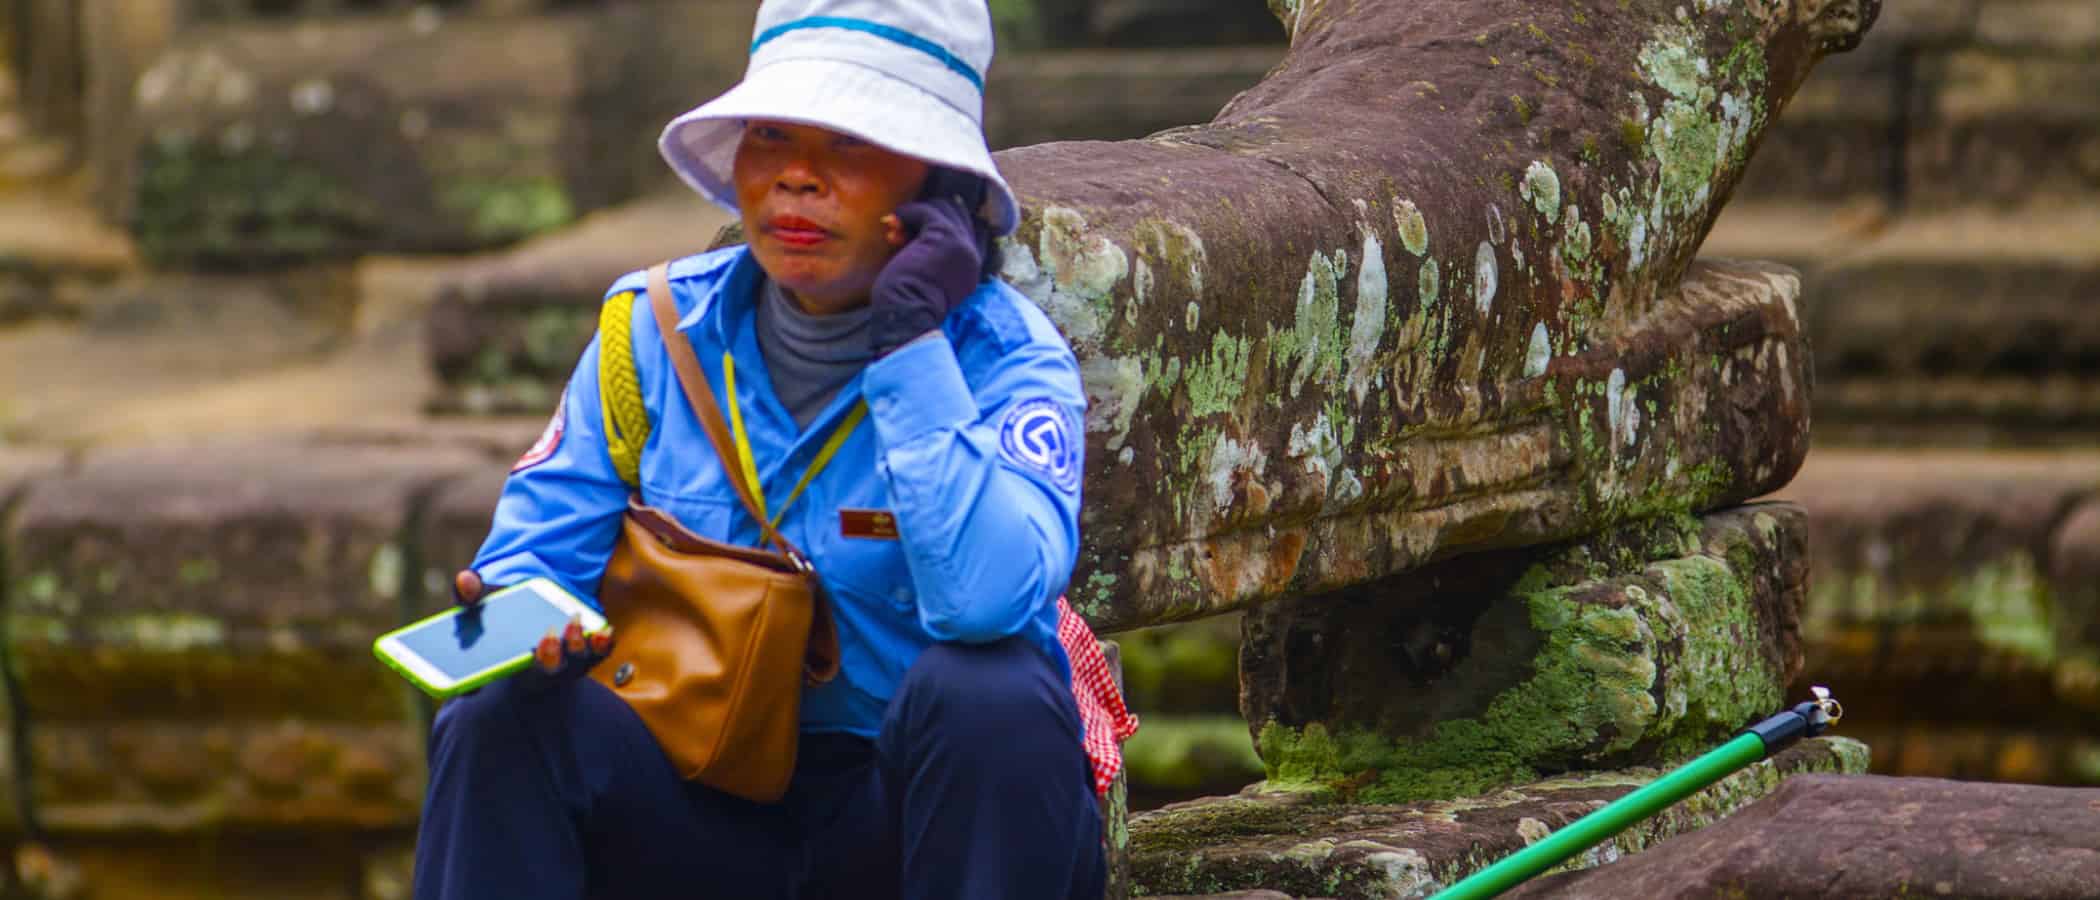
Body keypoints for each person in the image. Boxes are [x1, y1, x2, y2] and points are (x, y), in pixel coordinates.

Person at [411, 2, 1120, 898]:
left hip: (901, 825)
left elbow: (985, 602)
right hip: (694, 802)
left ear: (940, 189)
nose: (797, 179)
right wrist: (519, 612)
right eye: (772, 135)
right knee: (496, 712)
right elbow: (531, 557)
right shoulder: (651, 334)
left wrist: (908, 347)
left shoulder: (1004, 362)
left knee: (992, 698)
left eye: (851, 145)